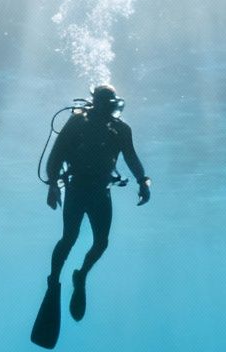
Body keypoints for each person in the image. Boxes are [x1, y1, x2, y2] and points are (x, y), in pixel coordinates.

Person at [43, 84, 149, 325]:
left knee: (101, 242)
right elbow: (55, 156)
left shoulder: (121, 130)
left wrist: (143, 180)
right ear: (94, 102)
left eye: (109, 103)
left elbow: (131, 157)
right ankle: (54, 280)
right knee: (69, 238)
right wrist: (52, 186)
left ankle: (81, 276)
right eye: (101, 102)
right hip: (76, 188)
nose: (105, 108)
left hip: (101, 191)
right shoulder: (76, 123)